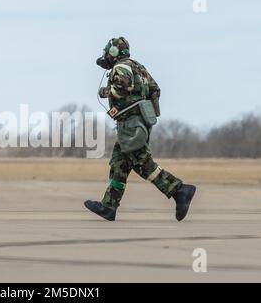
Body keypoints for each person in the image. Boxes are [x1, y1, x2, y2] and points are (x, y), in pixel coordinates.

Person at [84, 37, 196, 222]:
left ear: (113, 52)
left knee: (142, 163)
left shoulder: (120, 68)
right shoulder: (139, 67)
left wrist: (105, 92)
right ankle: (108, 206)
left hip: (130, 124)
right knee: (119, 164)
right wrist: (148, 115)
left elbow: (122, 88)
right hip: (138, 123)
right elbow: (155, 90)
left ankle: (180, 190)